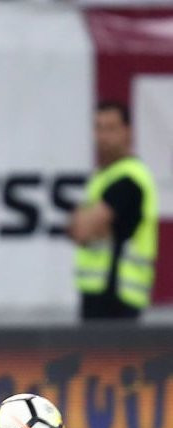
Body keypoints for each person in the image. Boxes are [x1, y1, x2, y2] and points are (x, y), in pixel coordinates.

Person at [69, 100, 158, 320]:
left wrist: (88, 221)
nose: (103, 136)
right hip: (98, 293)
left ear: (128, 132)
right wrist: (92, 225)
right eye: (98, 128)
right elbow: (76, 229)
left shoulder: (129, 179)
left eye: (110, 128)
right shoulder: (102, 177)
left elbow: (82, 230)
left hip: (117, 296)